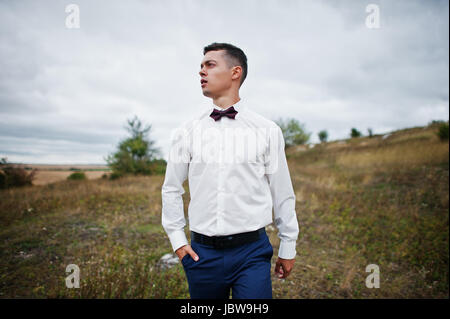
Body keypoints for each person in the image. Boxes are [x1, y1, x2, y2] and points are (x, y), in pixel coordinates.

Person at [161, 42, 299, 299]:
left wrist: (288, 245)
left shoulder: (267, 130)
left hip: (252, 252)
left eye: (210, 65)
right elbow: (171, 188)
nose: (201, 72)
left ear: (235, 72)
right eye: (200, 66)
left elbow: (282, 192)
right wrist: (178, 241)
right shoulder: (186, 131)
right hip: (202, 253)